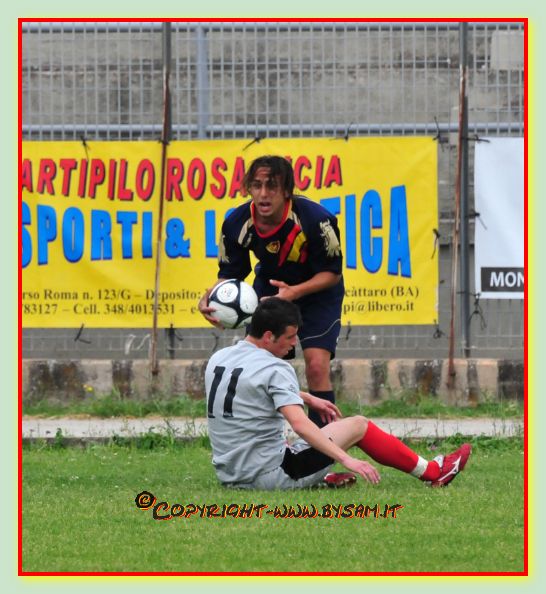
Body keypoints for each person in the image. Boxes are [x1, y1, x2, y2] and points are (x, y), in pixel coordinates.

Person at [205, 298, 472, 491]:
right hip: (270, 476)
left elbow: (250, 389)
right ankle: (434, 472)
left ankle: (321, 477)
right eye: (290, 337)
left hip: (229, 476)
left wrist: (307, 397)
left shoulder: (220, 358)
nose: (294, 343)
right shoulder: (276, 368)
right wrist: (347, 459)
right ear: (267, 336)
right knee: (359, 425)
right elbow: (299, 424)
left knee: (284, 441)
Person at [198, 155, 344, 429]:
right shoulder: (236, 223)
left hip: (318, 293)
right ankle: (273, 441)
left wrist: (294, 292)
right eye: (257, 185)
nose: (263, 194)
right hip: (271, 291)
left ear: (286, 190)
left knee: (316, 366)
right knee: (263, 366)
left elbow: (332, 273)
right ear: (249, 188)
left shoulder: (317, 221)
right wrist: (211, 297)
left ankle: (325, 444)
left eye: (272, 186)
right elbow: (230, 274)